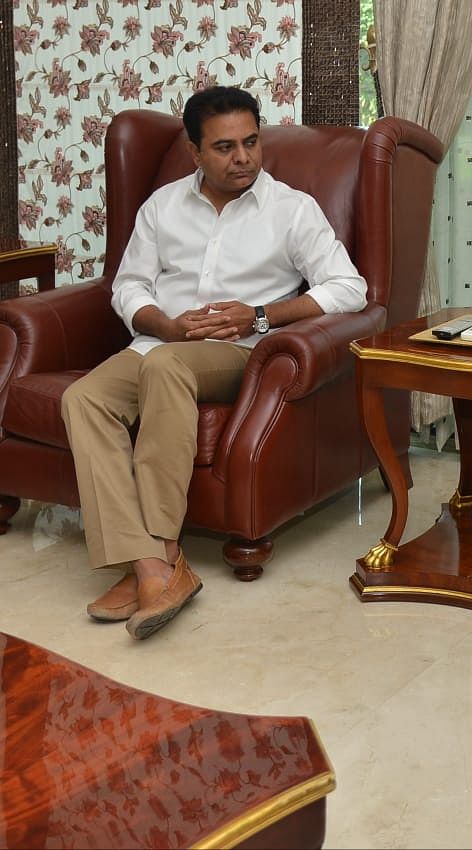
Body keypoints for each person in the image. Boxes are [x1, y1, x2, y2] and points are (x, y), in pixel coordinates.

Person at [60, 86, 367, 640]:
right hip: (159, 342)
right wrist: (163, 324)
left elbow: (350, 288)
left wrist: (260, 315)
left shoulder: (291, 208)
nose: (243, 157)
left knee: (166, 370)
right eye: (224, 147)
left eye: (251, 142)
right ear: (194, 152)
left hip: (239, 352)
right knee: (82, 398)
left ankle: (162, 550)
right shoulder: (162, 207)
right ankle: (152, 568)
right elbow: (128, 284)